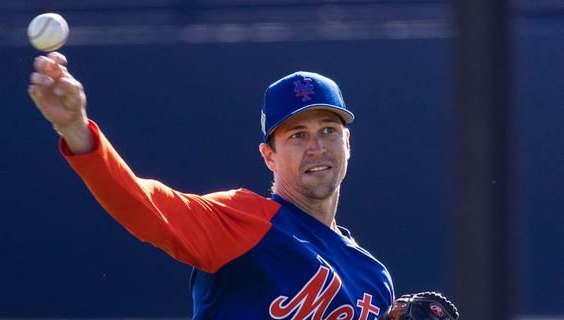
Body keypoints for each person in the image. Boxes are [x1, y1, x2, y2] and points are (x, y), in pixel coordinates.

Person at [28, 52, 395, 320]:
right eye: (298, 135)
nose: (316, 147)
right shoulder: (244, 222)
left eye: (328, 130)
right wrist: (75, 128)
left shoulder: (373, 278)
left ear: (347, 143)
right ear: (269, 156)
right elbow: (143, 206)